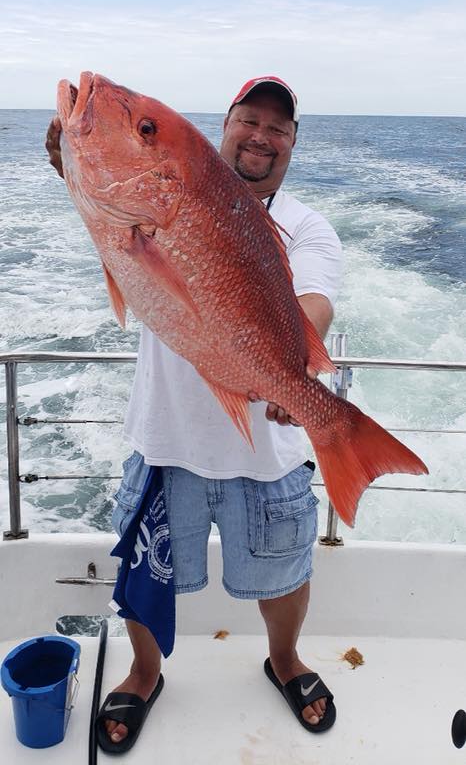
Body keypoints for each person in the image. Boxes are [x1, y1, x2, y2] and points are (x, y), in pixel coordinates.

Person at [46, 75, 343, 751]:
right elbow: (116, 225)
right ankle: (145, 672)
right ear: (226, 125)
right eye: (251, 120)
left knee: (286, 571)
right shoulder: (163, 199)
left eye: (280, 127)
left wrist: (288, 378)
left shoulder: (307, 229)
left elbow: (317, 304)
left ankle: (286, 660)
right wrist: (76, 159)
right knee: (140, 571)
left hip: (267, 448)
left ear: (293, 141)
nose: (262, 136)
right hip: (165, 438)